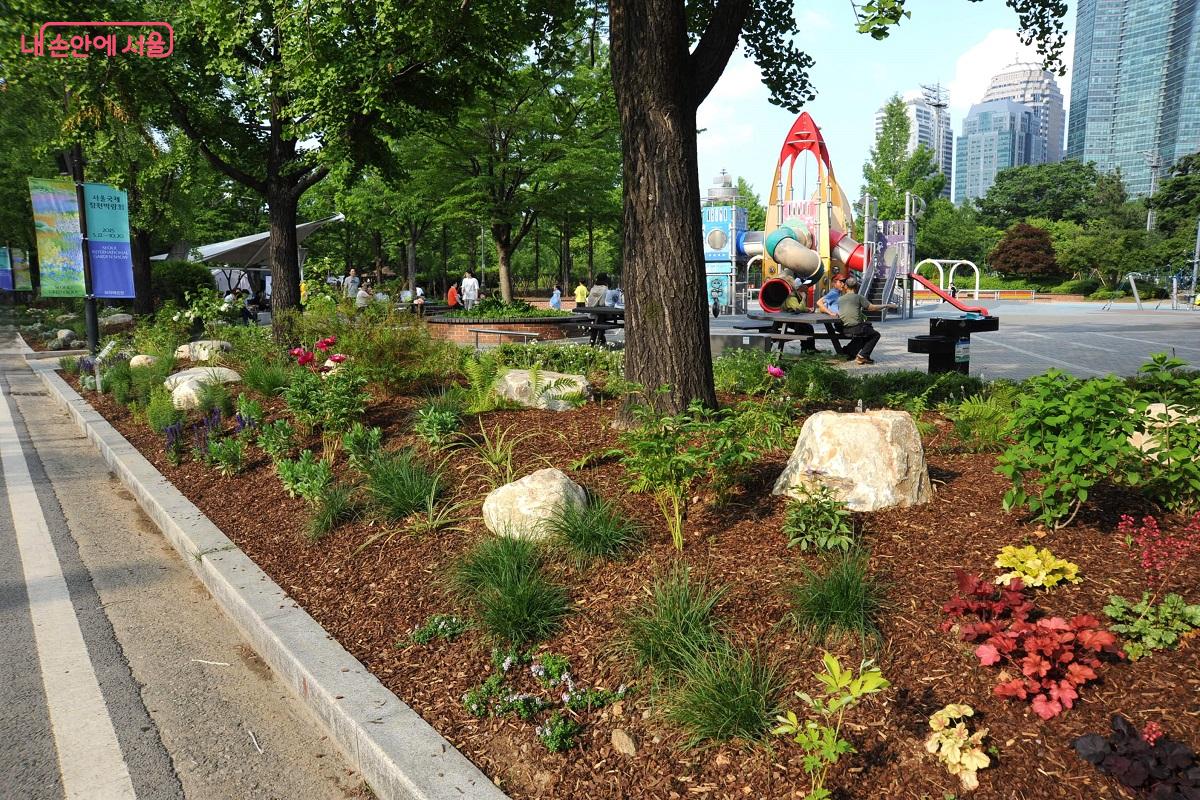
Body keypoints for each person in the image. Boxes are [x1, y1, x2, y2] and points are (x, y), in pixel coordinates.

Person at [837, 275, 897, 365]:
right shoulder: (858, 297)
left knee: (866, 333)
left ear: (845, 286)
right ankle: (863, 356)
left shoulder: (840, 299)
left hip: (844, 328)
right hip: (856, 327)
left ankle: (849, 352)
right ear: (857, 287)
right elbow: (872, 308)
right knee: (875, 335)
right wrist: (887, 305)